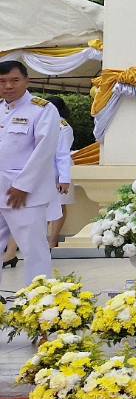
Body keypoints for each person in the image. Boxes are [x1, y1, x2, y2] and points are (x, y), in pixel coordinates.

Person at [0, 60, 61, 280]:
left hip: (26, 194)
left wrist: (22, 185)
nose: (8, 86)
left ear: (27, 80)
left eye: (14, 80)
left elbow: (44, 151)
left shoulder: (42, 109)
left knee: (33, 249)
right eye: (2, 81)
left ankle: (39, 300)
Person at [46, 96, 74, 248]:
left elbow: (63, 153)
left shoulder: (63, 126)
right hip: (43, 170)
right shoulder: (43, 122)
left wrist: (63, 178)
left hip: (59, 170)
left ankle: (52, 240)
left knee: (59, 206)